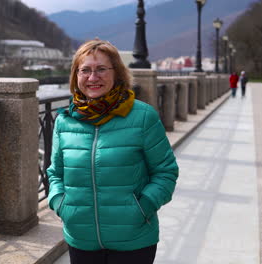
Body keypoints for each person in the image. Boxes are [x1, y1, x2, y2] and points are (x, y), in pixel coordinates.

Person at [47, 39, 179, 264]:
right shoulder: (64, 121)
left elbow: (165, 172)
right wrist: (61, 204)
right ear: (75, 76)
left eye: (101, 69)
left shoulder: (143, 116)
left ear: (117, 73)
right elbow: (55, 173)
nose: (92, 77)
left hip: (133, 240)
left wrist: (141, 208)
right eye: (85, 70)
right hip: (81, 238)